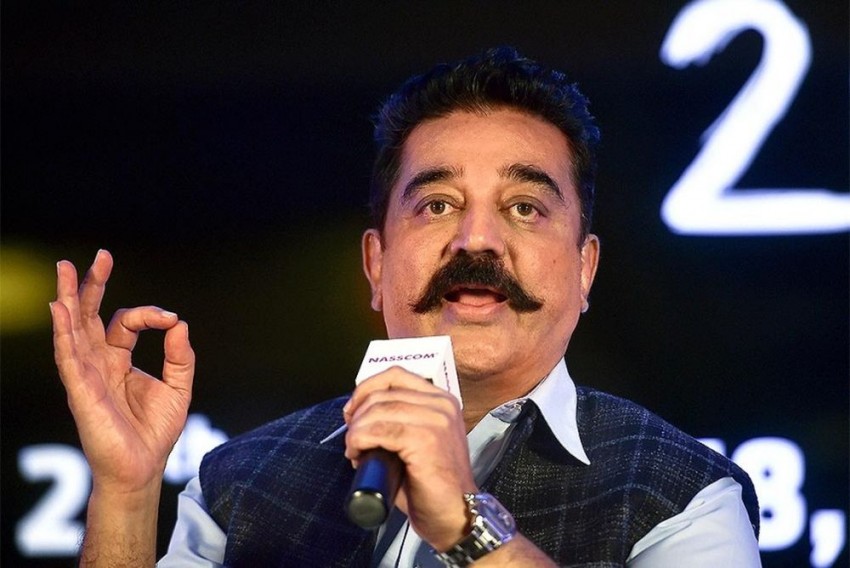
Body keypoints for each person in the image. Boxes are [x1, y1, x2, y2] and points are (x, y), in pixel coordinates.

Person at [51, 47, 761, 567]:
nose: (476, 239)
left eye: (524, 207)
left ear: (584, 270)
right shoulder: (236, 485)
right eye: (437, 204)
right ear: (376, 264)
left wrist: (466, 524)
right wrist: (127, 493)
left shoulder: (685, 496)